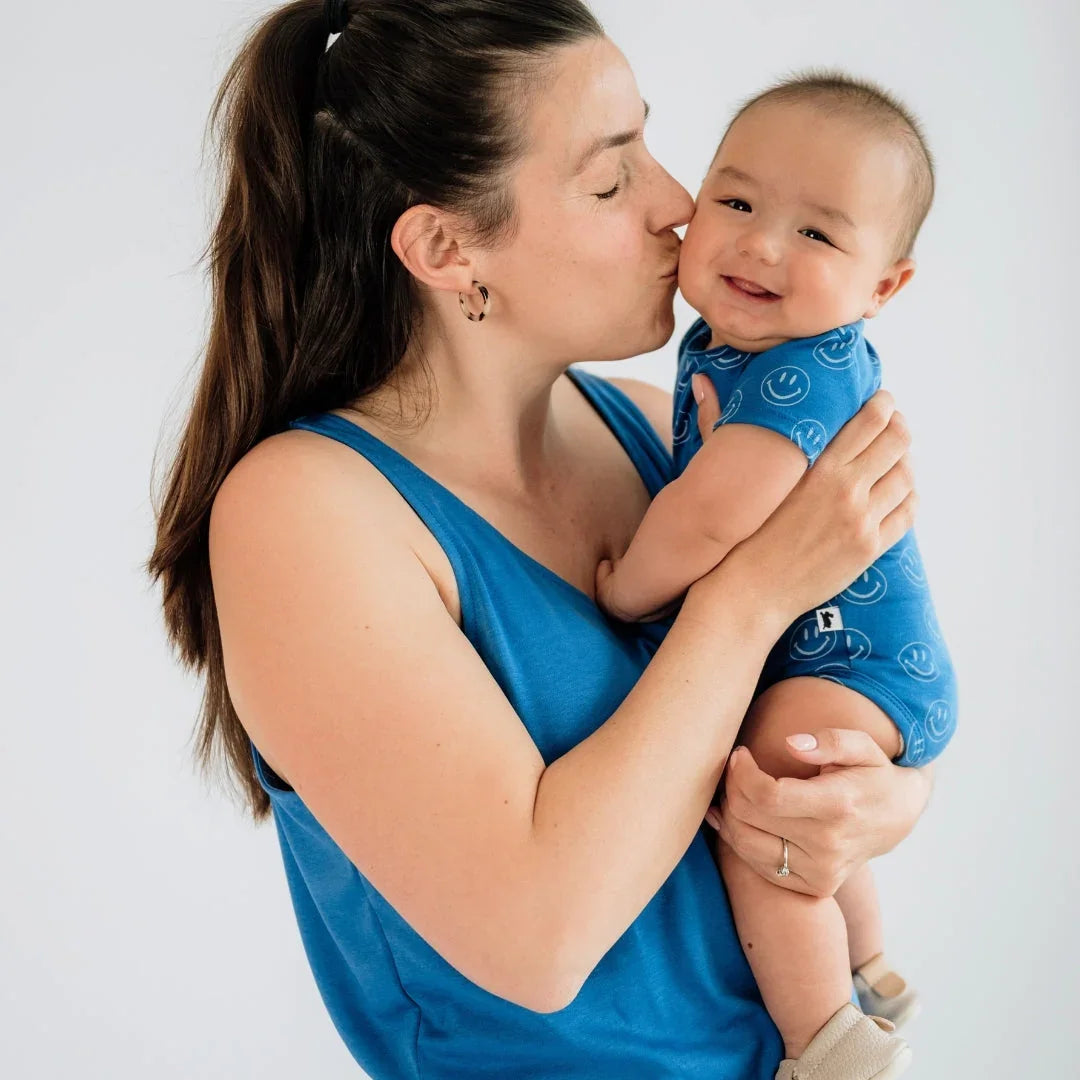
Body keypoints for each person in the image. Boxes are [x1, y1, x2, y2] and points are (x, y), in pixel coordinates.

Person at [147, 2, 935, 1077]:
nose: (678, 205)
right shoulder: (305, 511)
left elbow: (811, 687)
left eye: (653, 147)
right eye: (611, 179)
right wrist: (749, 594)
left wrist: (881, 795)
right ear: (444, 247)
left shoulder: (657, 427)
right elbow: (541, 939)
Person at [593, 71, 958, 1079]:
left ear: (884, 288)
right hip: (848, 658)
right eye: (740, 203)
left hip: (857, 657)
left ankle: (825, 1036)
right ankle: (874, 962)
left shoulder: (801, 373)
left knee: (763, 815)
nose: (760, 245)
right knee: (803, 789)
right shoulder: (732, 350)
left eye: (817, 235)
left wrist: (628, 589)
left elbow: (711, 516)